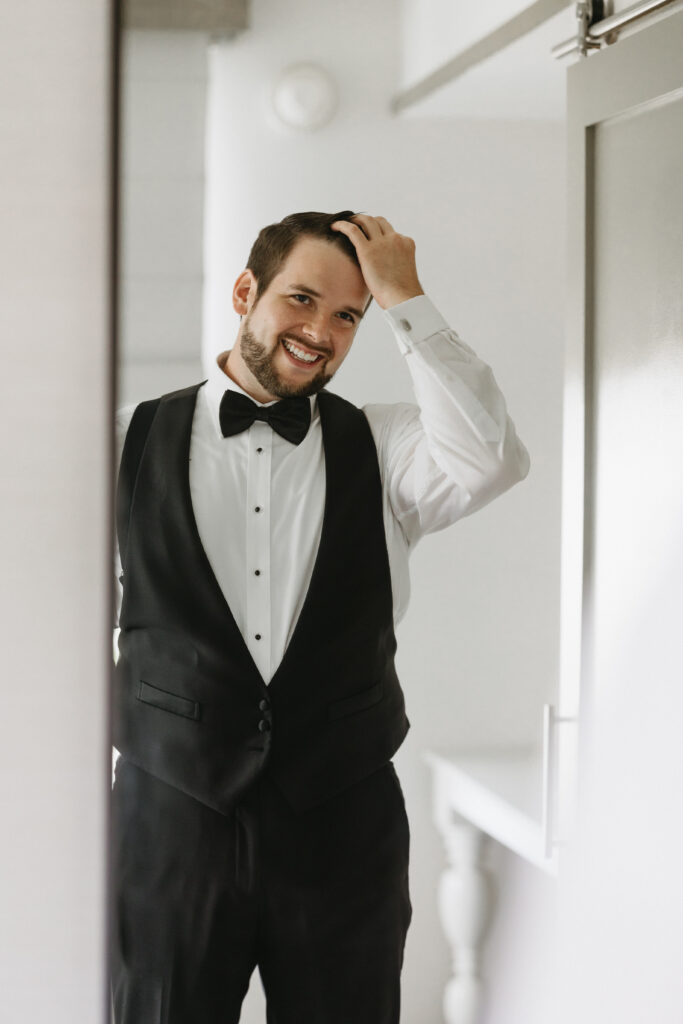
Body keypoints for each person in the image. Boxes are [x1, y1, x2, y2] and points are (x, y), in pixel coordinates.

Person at [111, 210, 530, 1024]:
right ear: (245, 292)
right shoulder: (123, 438)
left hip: (343, 816)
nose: (320, 332)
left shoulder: (386, 446)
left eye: (347, 314)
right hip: (168, 816)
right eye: (300, 300)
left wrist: (405, 297)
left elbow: (490, 459)